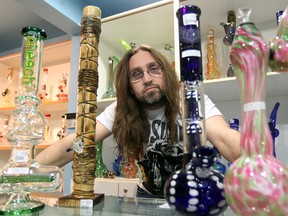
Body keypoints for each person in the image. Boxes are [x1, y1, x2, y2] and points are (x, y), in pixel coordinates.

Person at [36, 44, 241, 198]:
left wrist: (264, 166)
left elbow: (224, 138)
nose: (147, 78)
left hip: (192, 196)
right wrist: (28, 168)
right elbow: (79, 141)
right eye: (137, 74)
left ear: (166, 73)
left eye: (154, 68)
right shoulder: (120, 109)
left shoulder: (191, 98)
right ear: (130, 86)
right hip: (147, 197)